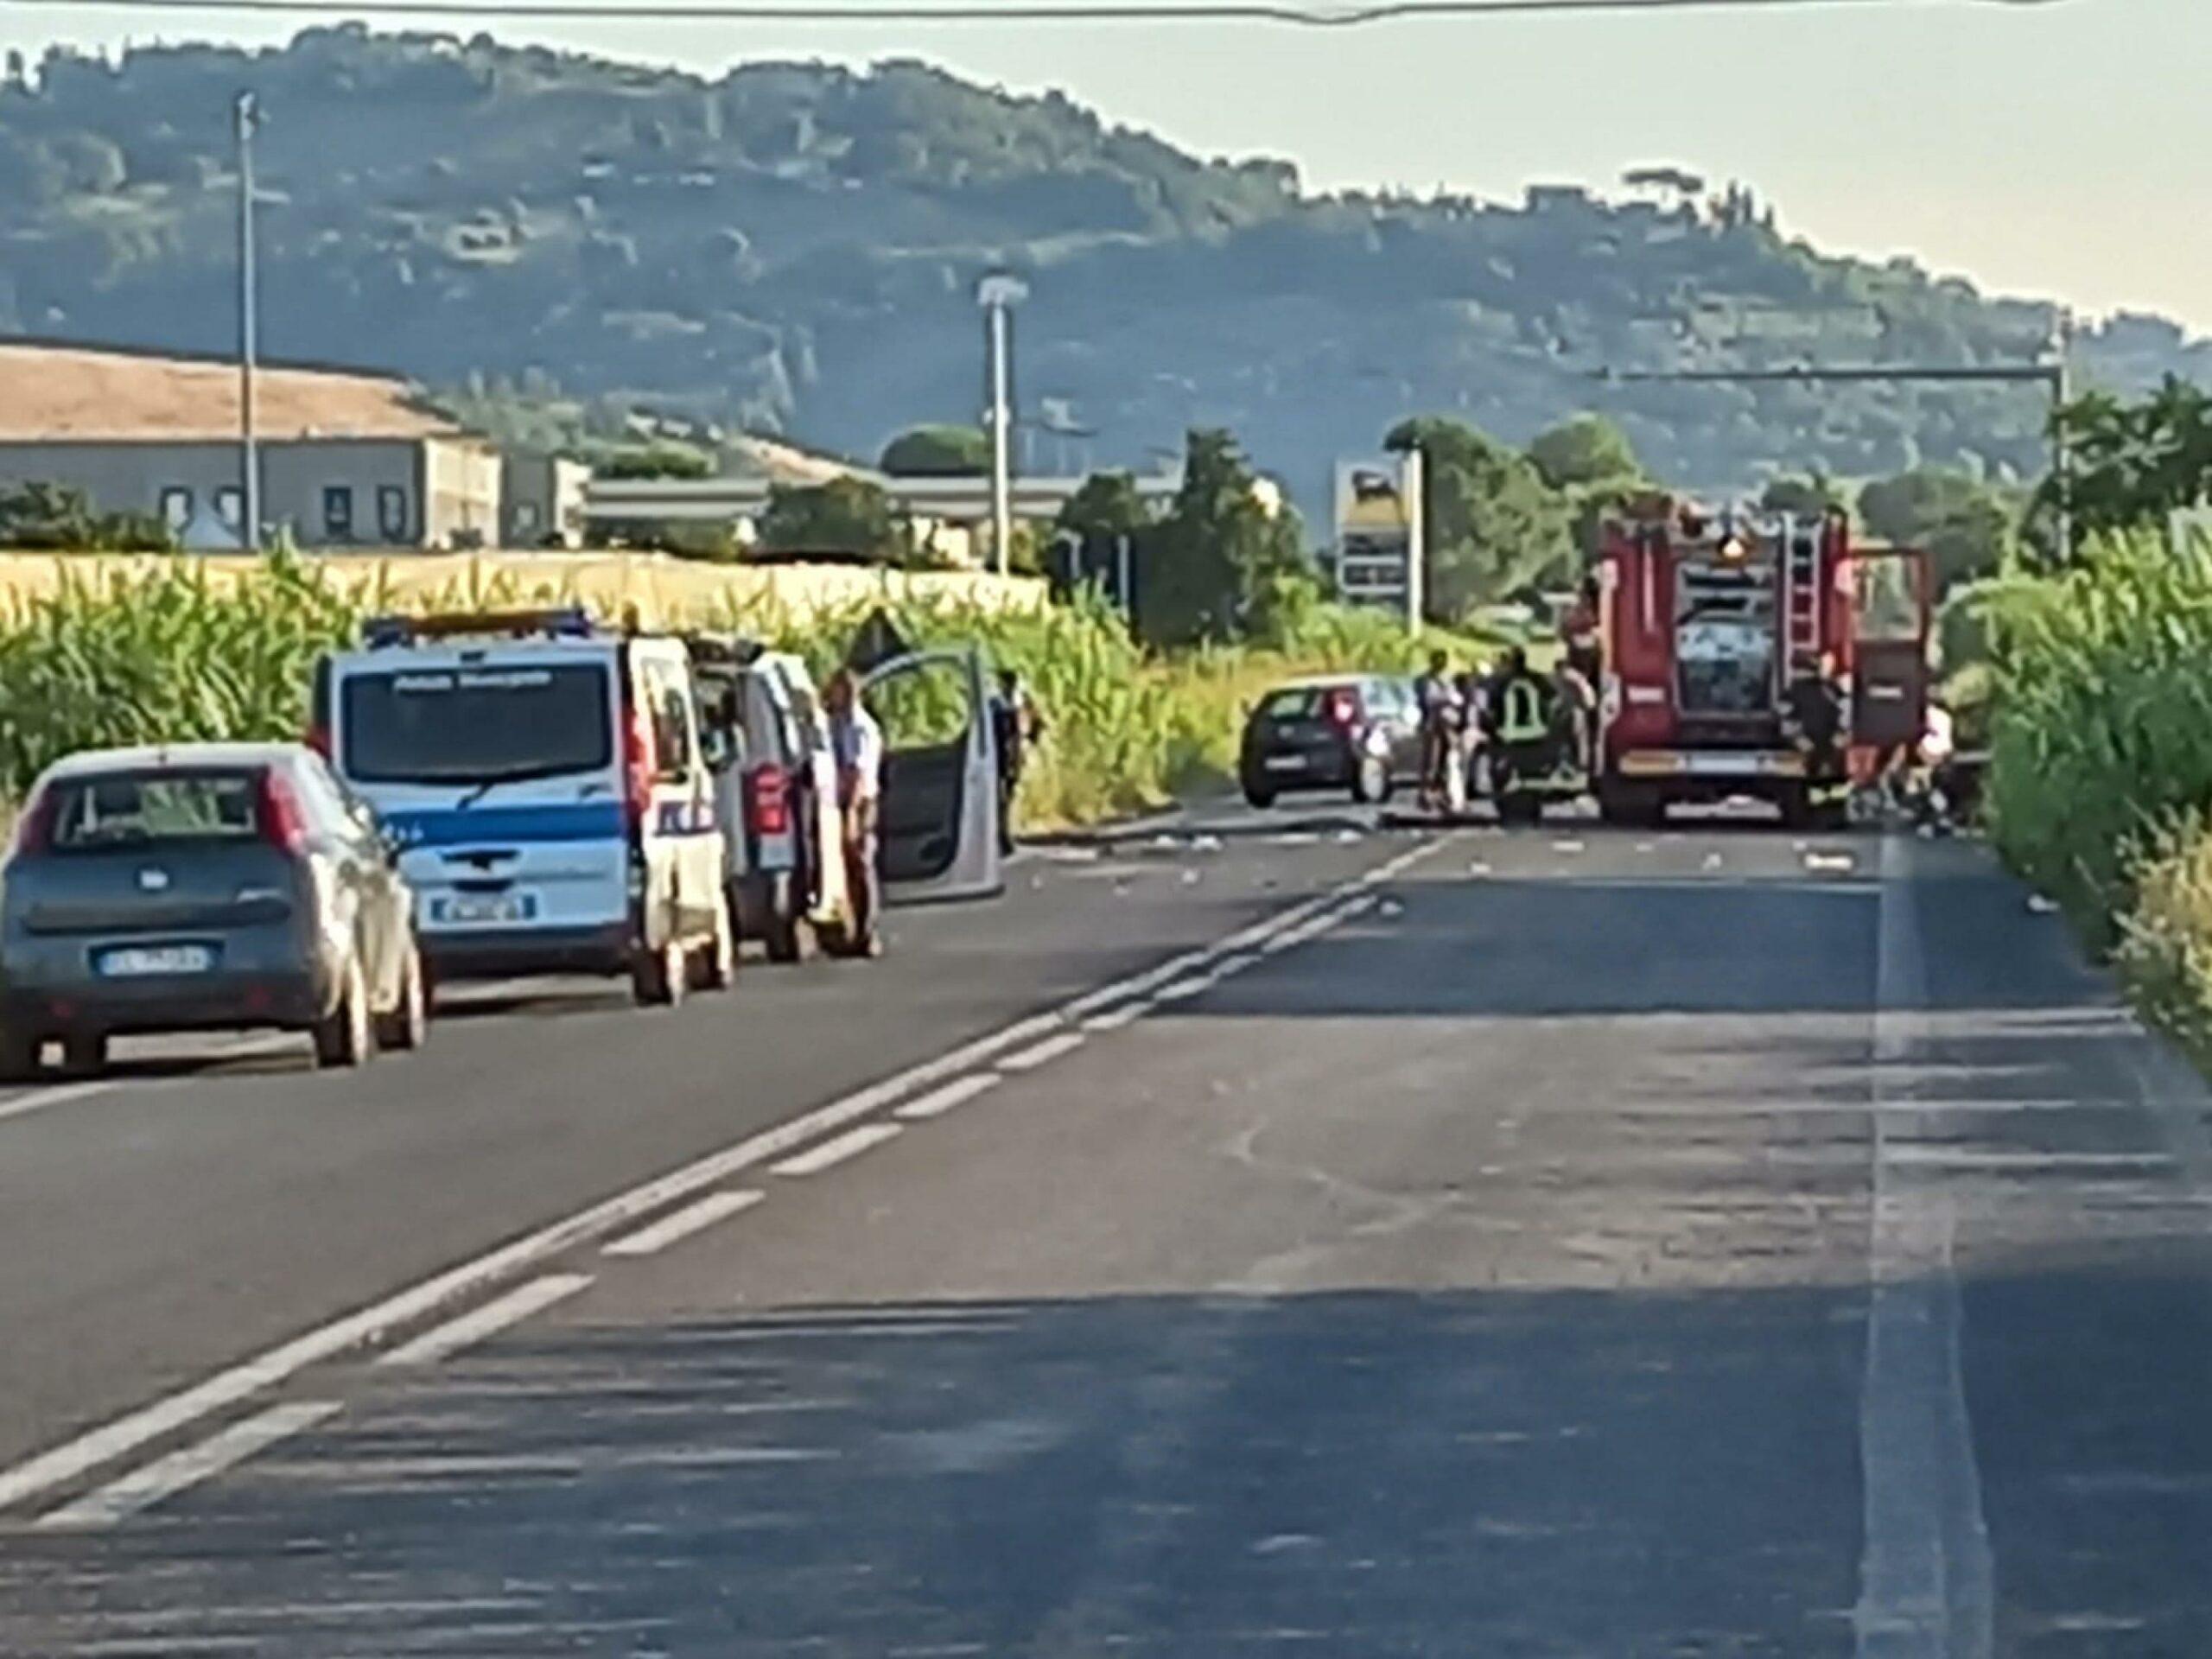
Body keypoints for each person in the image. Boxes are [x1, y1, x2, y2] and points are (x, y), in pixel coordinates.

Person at [823, 666, 885, 957]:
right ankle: (851, 930)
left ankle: (867, 931)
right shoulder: (837, 723)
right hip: (843, 799)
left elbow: (857, 774)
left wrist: (850, 813)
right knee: (847, 867)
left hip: (860, 802)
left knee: (861, 863)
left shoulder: (861, 727)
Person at [1484, 646, 1554, 792]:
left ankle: (1500, 770)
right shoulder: (1536, 678)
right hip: (1537, 731)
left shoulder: (1500, 681)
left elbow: (1489, 708)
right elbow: (1554, 699)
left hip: (1508, 735)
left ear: (1510, 662)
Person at [988, 669, 1042, 855]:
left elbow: (1035, 725)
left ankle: (1002, 836)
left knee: (1004, 797)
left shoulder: (1006, 704)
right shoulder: (1002, 704)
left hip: (1008, 754)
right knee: (1001, 798)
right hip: (1003, 754)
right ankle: (1001, 837)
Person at [1413, 650, 1463, 810]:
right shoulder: (1425, 680)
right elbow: (1429, 700)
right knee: (1431, 762)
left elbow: (1456, 699)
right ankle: (1426, 795)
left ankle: (1442, 794)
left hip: (1446, 726)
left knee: (1446, 761)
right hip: (1432, 725)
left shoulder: (1446, 680)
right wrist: (1447, 699)